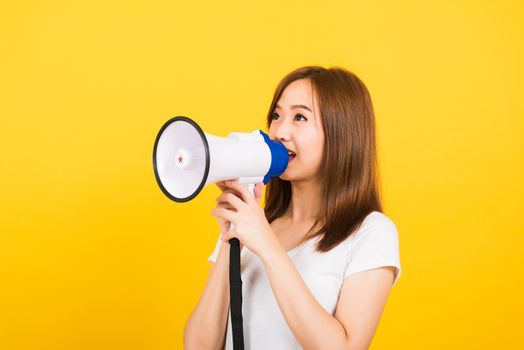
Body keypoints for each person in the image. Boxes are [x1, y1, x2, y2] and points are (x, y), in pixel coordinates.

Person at [183, 66, 402, 350]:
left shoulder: (371, 232)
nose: (280, 132)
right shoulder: (253, 224)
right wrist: (230, 242)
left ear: (342, 133)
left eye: (300, 117)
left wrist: (267, 246)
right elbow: (198, 347)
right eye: (276, 116)